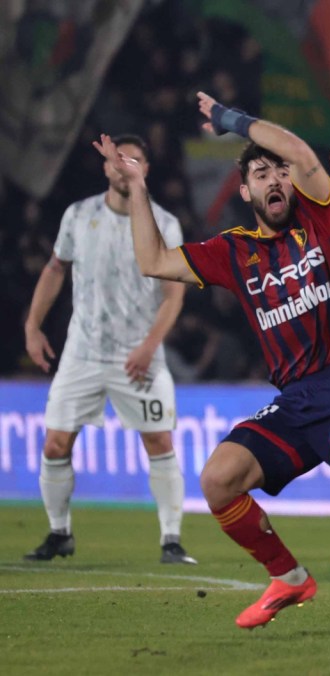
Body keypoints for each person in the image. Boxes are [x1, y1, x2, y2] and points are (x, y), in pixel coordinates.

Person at [92, 91, 330, 630]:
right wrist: (136, 189)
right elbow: (152, 260)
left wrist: (234, 123)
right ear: (244, 190)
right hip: (294, 402)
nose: (274, 180)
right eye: (261, 174)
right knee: (218, 479)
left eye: (279, 171)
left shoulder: (322, 219)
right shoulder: (234, 250)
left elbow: (301, 153)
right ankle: (290, 578)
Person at [23, 134, 195, 566]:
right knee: (55, 444)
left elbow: (174, 295)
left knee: (159, 440)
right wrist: (32, 325)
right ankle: (59, 532)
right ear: (105, 167)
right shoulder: (78, 216)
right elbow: (55, 268)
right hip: (83, 352)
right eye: (117, 161)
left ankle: (171, 540)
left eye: (133, 161)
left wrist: (150, 345)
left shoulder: (164, 223)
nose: (123, 168)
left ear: (146, 170)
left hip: (141, 356)